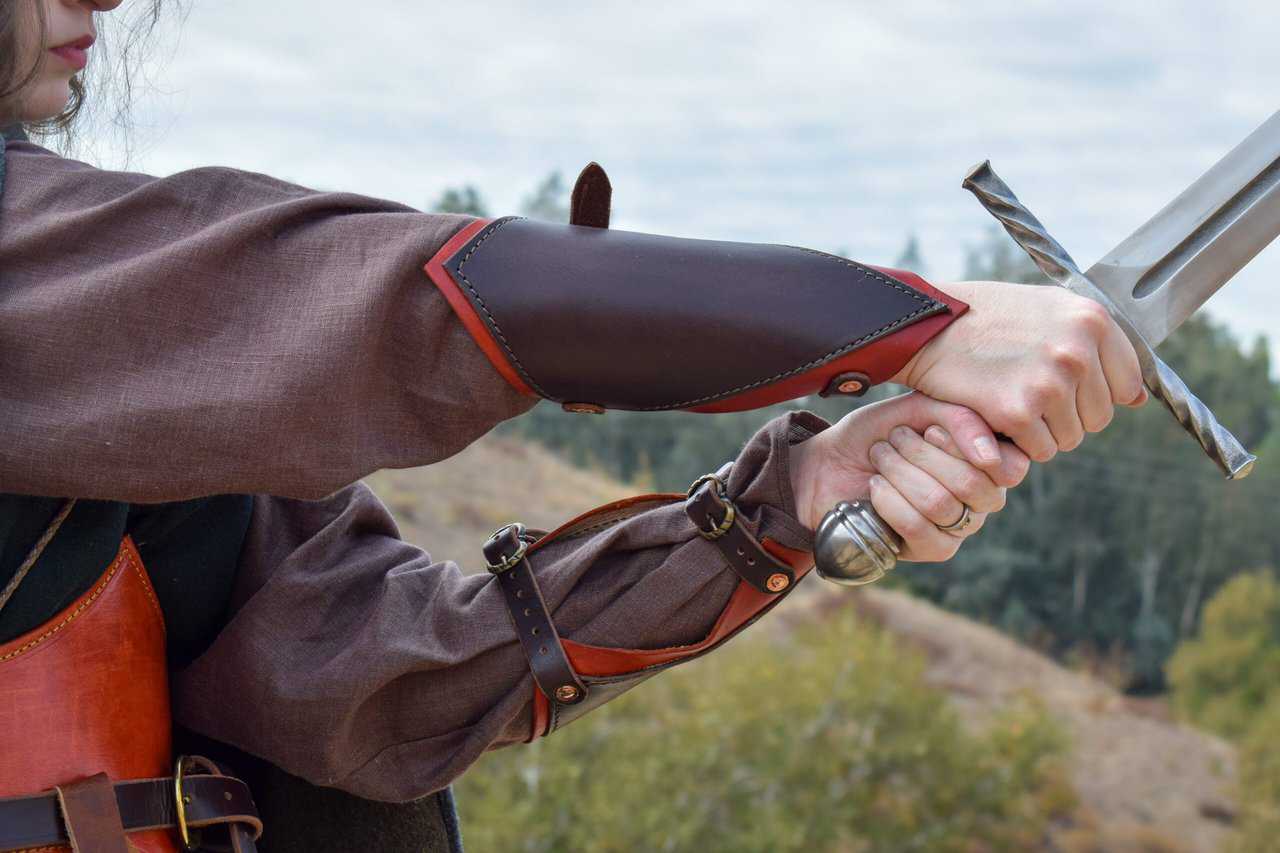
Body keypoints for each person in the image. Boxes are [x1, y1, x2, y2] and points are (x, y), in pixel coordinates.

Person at [0, 2, 1147, 851]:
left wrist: (781, 504)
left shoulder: (124, 379)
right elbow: (377, 302)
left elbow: (378, 672)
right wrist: (913, 323)